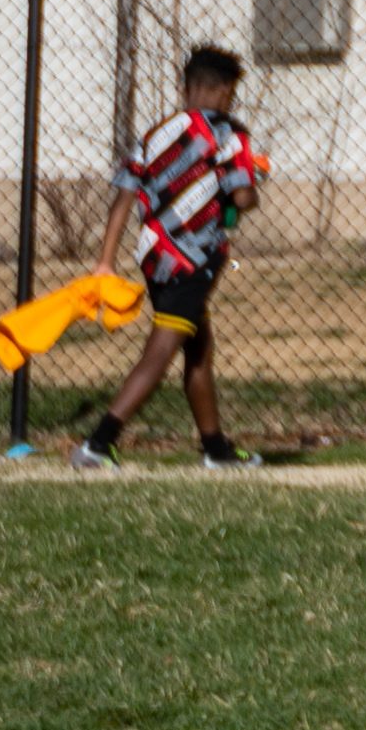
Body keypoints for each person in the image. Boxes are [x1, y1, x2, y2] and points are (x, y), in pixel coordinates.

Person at [78, 45, 263, 469]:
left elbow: (124, 197)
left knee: (198, 350)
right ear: (222, 91)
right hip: (193, 263)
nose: (231, 102)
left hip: (155, 258)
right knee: (159, 355)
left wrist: (105, 260)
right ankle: (98, 444)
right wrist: (253, 180)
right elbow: (242, 197)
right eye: (231, 95)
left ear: (186, 86)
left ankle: (216, 449)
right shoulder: (229, 134)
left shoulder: (156, 133)